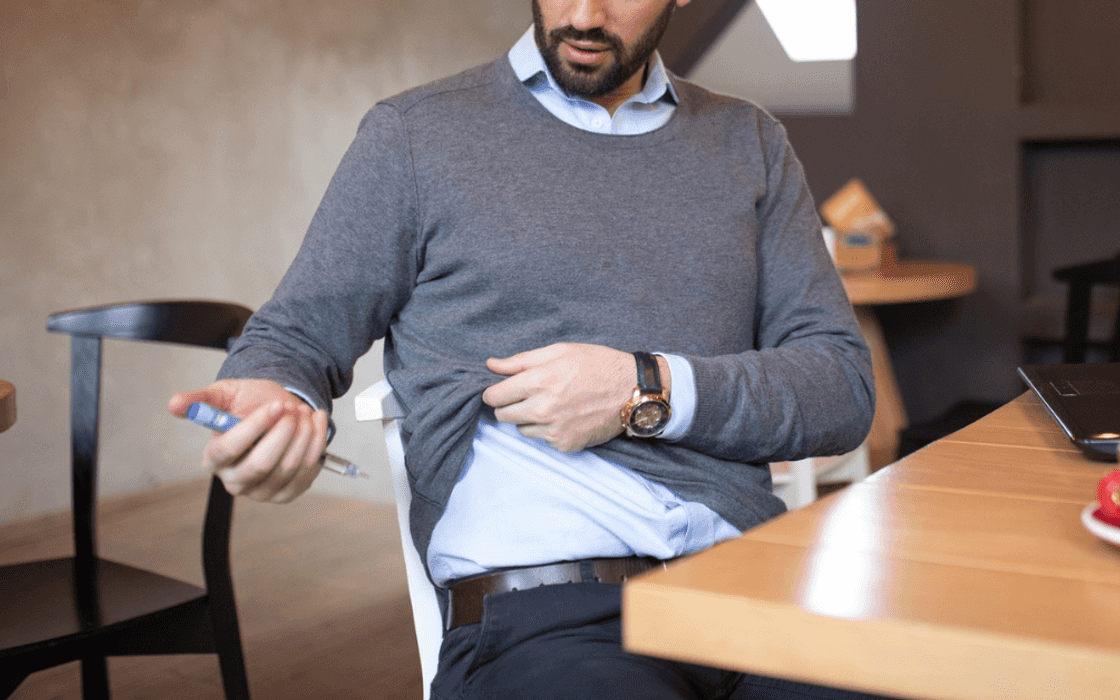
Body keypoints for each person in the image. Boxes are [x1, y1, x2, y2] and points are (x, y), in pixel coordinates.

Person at [170, 1, 880, 698]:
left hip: (754, 586)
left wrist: (643, 389)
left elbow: (841, 388)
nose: (583, 14)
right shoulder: (415, 135)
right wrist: (272, 395)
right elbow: (296, 335)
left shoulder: (747, 139)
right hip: (552, 616)